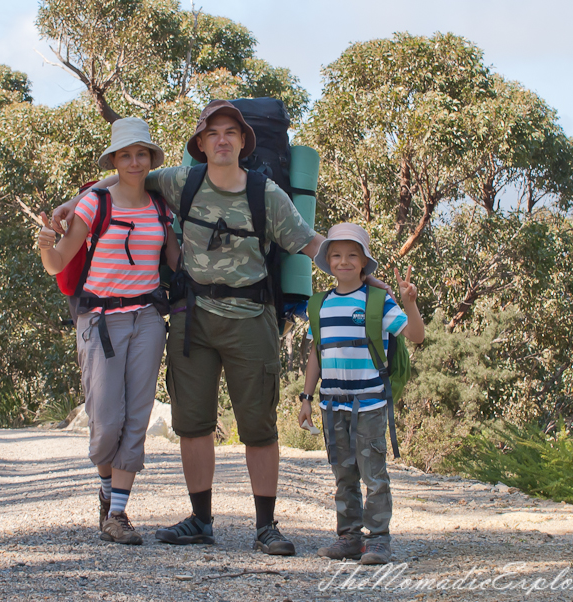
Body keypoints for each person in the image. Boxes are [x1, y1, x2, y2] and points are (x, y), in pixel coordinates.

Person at [50, 101, 391, 555]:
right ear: (201, 144)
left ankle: (266, 526)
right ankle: (201, 520)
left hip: (251, 319)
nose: (223, 140)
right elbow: (128, 175)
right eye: (213, 134)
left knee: (259, 426)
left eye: (231, 132)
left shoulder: (266, 194)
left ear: (244, 142)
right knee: (193, 425)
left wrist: (356, 270)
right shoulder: (180, 180)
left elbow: (310, 242)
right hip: (193, 319)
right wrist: (76, 201)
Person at [37, 117, 180, 546]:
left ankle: (117, 514)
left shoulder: (160, 208)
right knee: (107, 422)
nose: (134, 162)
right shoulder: (93, 205)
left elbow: (175, 263)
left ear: (150, 159)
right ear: (114, 161)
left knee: (137, 418)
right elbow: (59, 262)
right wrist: (47, 245)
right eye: (125, 155)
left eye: (141, 154)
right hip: (100, 322)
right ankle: (107, 492)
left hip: (148, 320)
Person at [298, 223, 425, 565]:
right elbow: (316, 354)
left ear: (364, 262)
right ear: (327, 262)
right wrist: (306, 398)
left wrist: (410, 303)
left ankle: (379, 538)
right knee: (343, 473)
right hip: (332, 404)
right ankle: (350, 537)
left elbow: (416, 335)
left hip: (369, 403)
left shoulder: (378, 302)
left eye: (352, 255)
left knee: (373, 472)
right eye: (336, 255)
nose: (343, 262)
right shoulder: (320, 305)